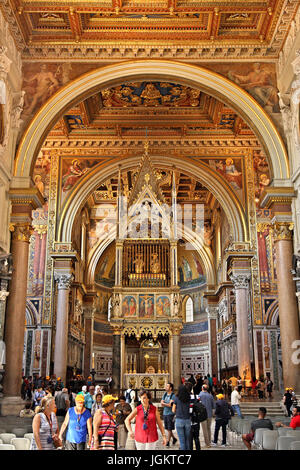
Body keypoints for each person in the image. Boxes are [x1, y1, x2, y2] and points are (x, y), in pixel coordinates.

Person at [172, 384, 191, 450]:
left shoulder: (176, 398)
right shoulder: (188, 397)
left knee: (182, 441)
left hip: (179, 419)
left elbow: (173, 410)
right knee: (187, 440)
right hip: (187, 419)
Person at [161, 382, 177, 447]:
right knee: (167, 428)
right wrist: (166, 404)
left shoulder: (173, 395)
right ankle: (174, 438)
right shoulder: (165, 394)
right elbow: (162, 402)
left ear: (170, 388)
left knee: (169, 428)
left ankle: (168, 441)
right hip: (165, 412)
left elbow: (170, 405)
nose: (166, 387)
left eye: (167, 386)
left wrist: (165, 404)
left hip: (170, 413)